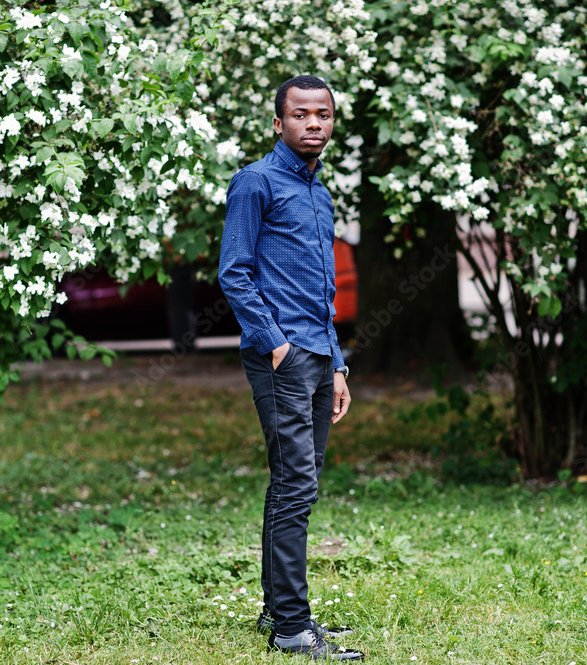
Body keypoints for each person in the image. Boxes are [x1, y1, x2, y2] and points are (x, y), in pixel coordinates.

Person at [218, 75, 365, 661]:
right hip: (280, 358)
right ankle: (293, 628)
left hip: (318, 356)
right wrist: (274, 343)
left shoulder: (319, 192)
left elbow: (321, 288)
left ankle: (277, 610)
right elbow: (234, 272)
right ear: (278, 123)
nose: (314, 124)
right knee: (295, 484)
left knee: (295, 484)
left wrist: (338, 365)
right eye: (301, 115)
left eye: (323, 114)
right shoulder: (255, 182)